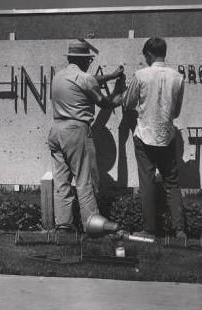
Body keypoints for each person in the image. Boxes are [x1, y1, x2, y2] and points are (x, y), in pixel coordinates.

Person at [48, 40, 125, 231]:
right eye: (89, 61)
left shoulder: (58, 77)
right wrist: (119, 94)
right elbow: (105, 103)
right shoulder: (85, 79)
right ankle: (92, 225)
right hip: (76, 130)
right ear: (85, 61)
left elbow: (89, 80)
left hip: (56, 129)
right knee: (84, 181)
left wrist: (111, 75)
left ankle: (63, 225)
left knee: (61, 182)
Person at [122, 37, 186, 239]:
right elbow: (176, 112)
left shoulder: (141, 75)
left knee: (147, 181)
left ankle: (149, 230)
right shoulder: (178, 77)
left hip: (144, 133)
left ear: (148, 54)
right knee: (172, 182)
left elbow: (128, 103)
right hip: (167, 133)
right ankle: (180, 229)